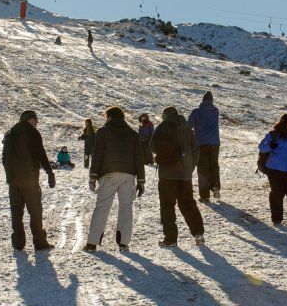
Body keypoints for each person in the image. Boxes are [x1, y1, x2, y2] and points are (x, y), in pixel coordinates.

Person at [84, 107, 145, 252]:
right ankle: (124, 243)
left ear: (110, 117)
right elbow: (139, 158)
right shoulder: (132, 134)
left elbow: (98, 154)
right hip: (128, 175)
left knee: (102, 207)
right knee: (126, 207)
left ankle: (92, 243)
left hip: (109, 174)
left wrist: (93, 177)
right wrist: (141, 181)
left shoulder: (103, 132)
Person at [1, 110, 56, 251]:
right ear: (31, 119)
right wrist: (50, 172)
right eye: (36, 121)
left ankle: (18, 242)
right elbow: (41, 154)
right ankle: (39, 242)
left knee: (16, 211)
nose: (36, 124)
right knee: (35, 210)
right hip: (29, 178)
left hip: (13, 180)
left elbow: (4, 158)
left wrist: (10, 174)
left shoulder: (9, 134)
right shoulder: (32, 133)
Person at [151, 106, 205, 247]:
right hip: (185, 174)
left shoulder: (162, 127)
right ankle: (198, 233)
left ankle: (170, 239)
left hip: (167, 174)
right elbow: (196, 151)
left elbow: (152, 147)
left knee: (167, 206)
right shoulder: (187, 128)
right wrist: (190, 168)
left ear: (165, 115)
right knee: (188, 204)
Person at [188, 91, 221, 202]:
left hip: (201, 144)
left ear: (202, 100)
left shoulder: (196, 112)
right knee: (214, 166)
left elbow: (189, 126)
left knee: (202, 168)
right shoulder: (216, 111)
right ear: (211, 101)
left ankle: (204, 195)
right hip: (215, 143)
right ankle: (215, 187)